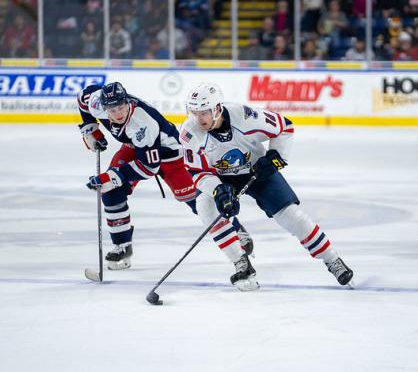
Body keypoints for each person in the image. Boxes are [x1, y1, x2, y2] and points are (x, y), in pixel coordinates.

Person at [179, 83, 353, 291]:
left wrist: (276, 157)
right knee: (205, 206)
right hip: (220, 177)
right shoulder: (189, 132)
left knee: (292, 216)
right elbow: (197, 172)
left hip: (257, 171)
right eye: (194, 112)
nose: (199, 118)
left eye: (204, 112)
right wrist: (217, 190)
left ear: (217, 108)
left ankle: (332, 260)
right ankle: (240, 262)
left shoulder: (246, 117)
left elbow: (285, 127)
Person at [77, 82, 252, 270]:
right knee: (111, 191)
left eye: (121, 107)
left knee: (198, 201)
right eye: (112, 110)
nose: (118, 113)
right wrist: (89, 127)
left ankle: (236, 229)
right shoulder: (96, 103)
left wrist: (112, 176)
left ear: (127, 102)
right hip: (135, 148)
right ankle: (122, 246)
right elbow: (83, 97)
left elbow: (148, 167)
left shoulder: (143, 123)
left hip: (171, 156)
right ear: (103, 107)